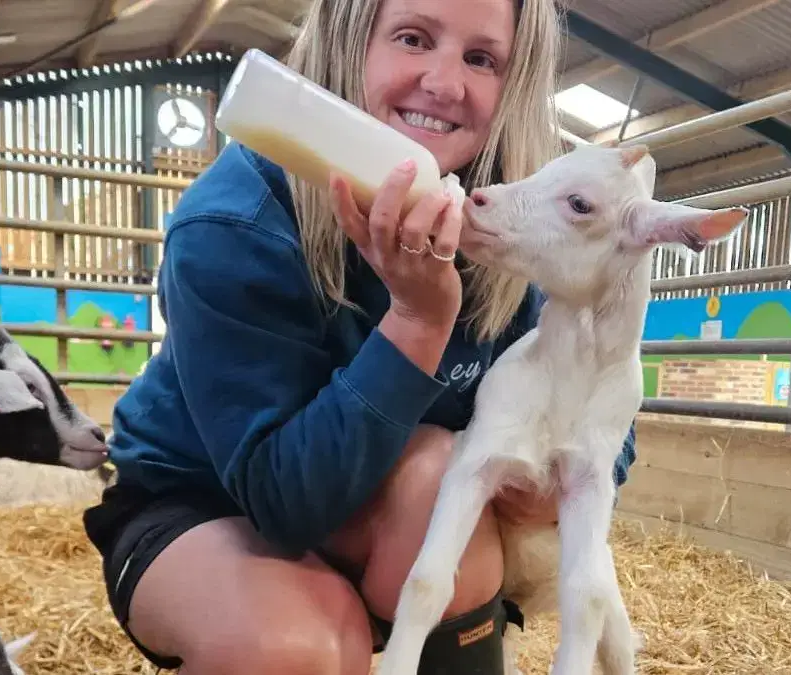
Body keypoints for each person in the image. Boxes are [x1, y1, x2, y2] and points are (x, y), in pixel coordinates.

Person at [82, 0, 637, 673]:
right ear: (350, 41)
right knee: (302, 644)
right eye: (412, 38)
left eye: (481, 58)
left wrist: (560, 484)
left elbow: (601, 394)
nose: (444, 82)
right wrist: (418, 321)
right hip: (208, 500)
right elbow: (282, 504)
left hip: (385, 498)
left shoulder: (508, 216)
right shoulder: (236, 221)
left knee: (443, 477)